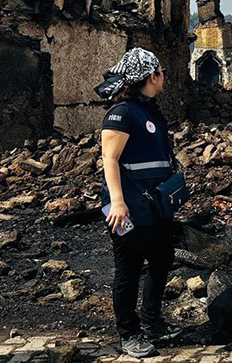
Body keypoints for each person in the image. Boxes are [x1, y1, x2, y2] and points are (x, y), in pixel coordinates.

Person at [95, 48, 183, 358]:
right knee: (129, 270)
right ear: (152, 76)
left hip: (154, 206)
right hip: (125, 209)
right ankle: (129, 333)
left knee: (161, 261)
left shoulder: (149, 110)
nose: (163, 77)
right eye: (161, 71)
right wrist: (117, 202)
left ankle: (152, 322)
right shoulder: (122, 113)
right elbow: (110, 159)